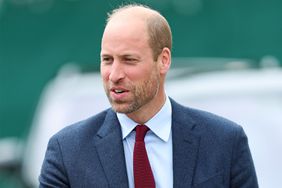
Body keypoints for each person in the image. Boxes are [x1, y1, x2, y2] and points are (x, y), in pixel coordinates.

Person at [39, 3, 258, 188]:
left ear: (163, 60)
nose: (114, 75)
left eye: (129, 60)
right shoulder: (67, 152)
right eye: (107, 60)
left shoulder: (225, 142)